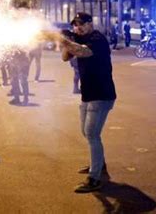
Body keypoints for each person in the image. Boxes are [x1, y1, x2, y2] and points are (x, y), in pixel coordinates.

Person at [60, 12, 116, 193]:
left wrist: (64, 40)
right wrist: (67, 39)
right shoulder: (77, 38)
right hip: (88, 94)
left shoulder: (97, 39)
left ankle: (94, 178)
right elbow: (65, 57)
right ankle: (98, 164)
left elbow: (83, 51)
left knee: (92, 134)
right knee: (86, 132)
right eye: (75, 25)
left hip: (101, 94)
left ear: (91, 23)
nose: (79, 27)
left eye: (82, 24)